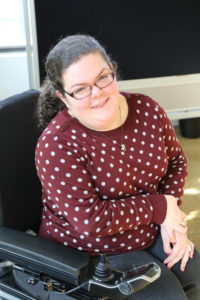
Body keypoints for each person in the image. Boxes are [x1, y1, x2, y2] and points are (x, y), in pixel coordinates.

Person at [35, 34, 200, 299]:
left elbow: (176, 163)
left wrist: (173, 222)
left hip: (151, 229)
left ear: (113, 69)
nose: (97, 93)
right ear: (63, 97)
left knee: (196, 277)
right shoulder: (57, 144)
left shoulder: (148, 109)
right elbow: (91, 220)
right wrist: (160, 208)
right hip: (90, 251)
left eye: (103, 77)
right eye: (80, 89)